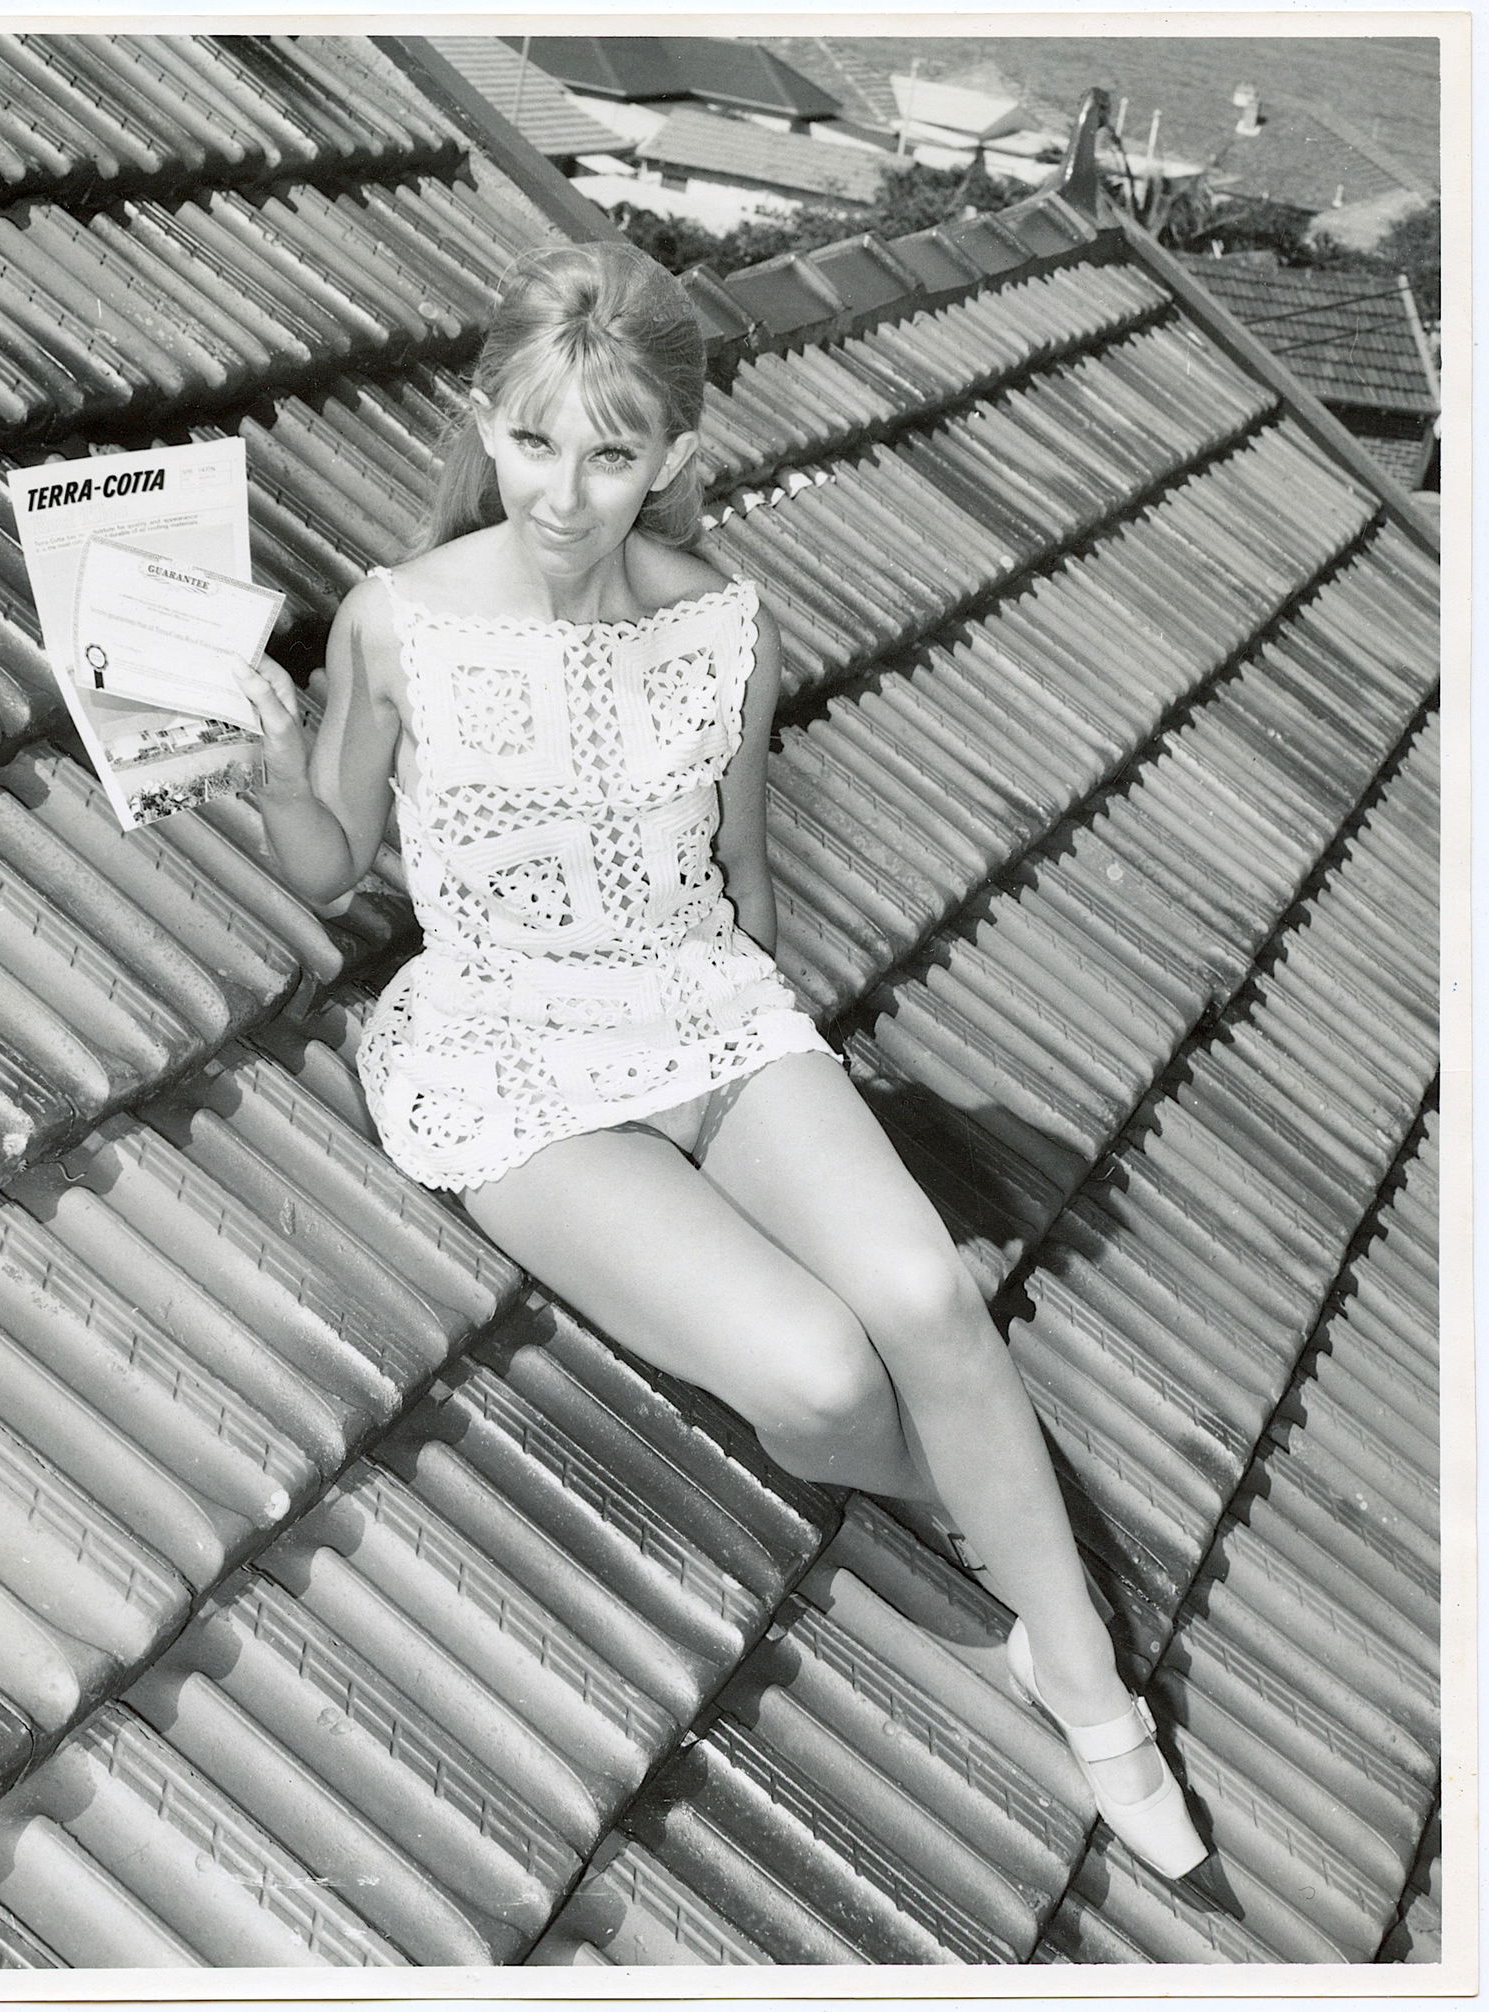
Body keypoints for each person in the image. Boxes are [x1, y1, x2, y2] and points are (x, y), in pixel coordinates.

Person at [237, 240, 1207, 1883]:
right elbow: (334, 865)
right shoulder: (399, 624)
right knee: (821, 1377)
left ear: (677, 456)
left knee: (928, 1301)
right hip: (514, 1051)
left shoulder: (727, 631)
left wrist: (779, 1094)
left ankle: (1090, 1690)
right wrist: (271, 766)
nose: (563, 491)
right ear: (486, 419)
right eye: (534, 439)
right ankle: (1006, 1540)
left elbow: (743, 878)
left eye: (612, 451)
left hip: (707, 1006)